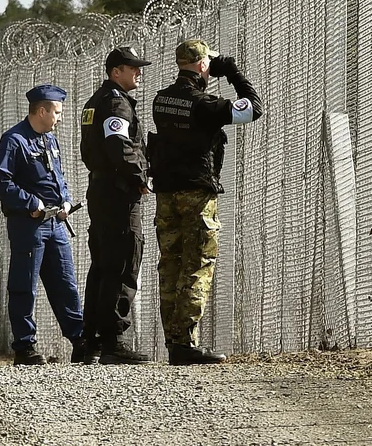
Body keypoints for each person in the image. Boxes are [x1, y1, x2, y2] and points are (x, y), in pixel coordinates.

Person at [149, 39, 262, 365]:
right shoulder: (204, 104)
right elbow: (253, 108)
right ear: (202, 65)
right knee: (197, 264)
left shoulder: (161, 100)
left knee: (170, 265)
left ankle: (175, 342)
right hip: (196, 194)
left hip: (166, 194)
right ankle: (185, 342)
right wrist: (233, 72)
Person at [0, 84, 86, 365]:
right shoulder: (15, 140)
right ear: (41, 111)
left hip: (55, 224)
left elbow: (58, 178)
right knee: (24, 285)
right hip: (29, 225)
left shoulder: (49, 140)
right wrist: (30, 202)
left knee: (65, 283)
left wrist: (65, 201)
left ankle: (80, 341)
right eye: (57, 112)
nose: (60, 118)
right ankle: (25, 346)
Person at [78, 46, 152, 365]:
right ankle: (114, 341)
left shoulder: (96, 102)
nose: (138, 72)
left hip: (101, 188)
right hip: (118, 192)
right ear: (115, 72)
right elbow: (118, 145)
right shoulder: (115, 102)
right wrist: (140, 176)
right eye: (132, 68)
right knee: (123, 261)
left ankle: (92, 341)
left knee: (103, 264)